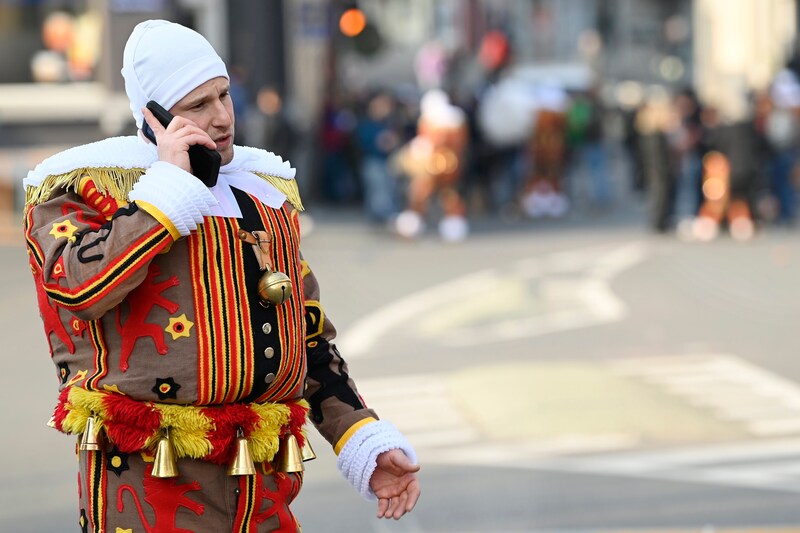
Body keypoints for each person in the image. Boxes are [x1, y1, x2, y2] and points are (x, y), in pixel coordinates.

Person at [23, 20, 420, 532]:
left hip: (264, 482)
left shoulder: (264, 193)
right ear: (154, 118)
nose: (221, 117)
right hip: (149, 484)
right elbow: (74, 288)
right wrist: (164, 197)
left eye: (224, 95)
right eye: (196, 106)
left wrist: (361, 437)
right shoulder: (82, 189)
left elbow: (307, 336)